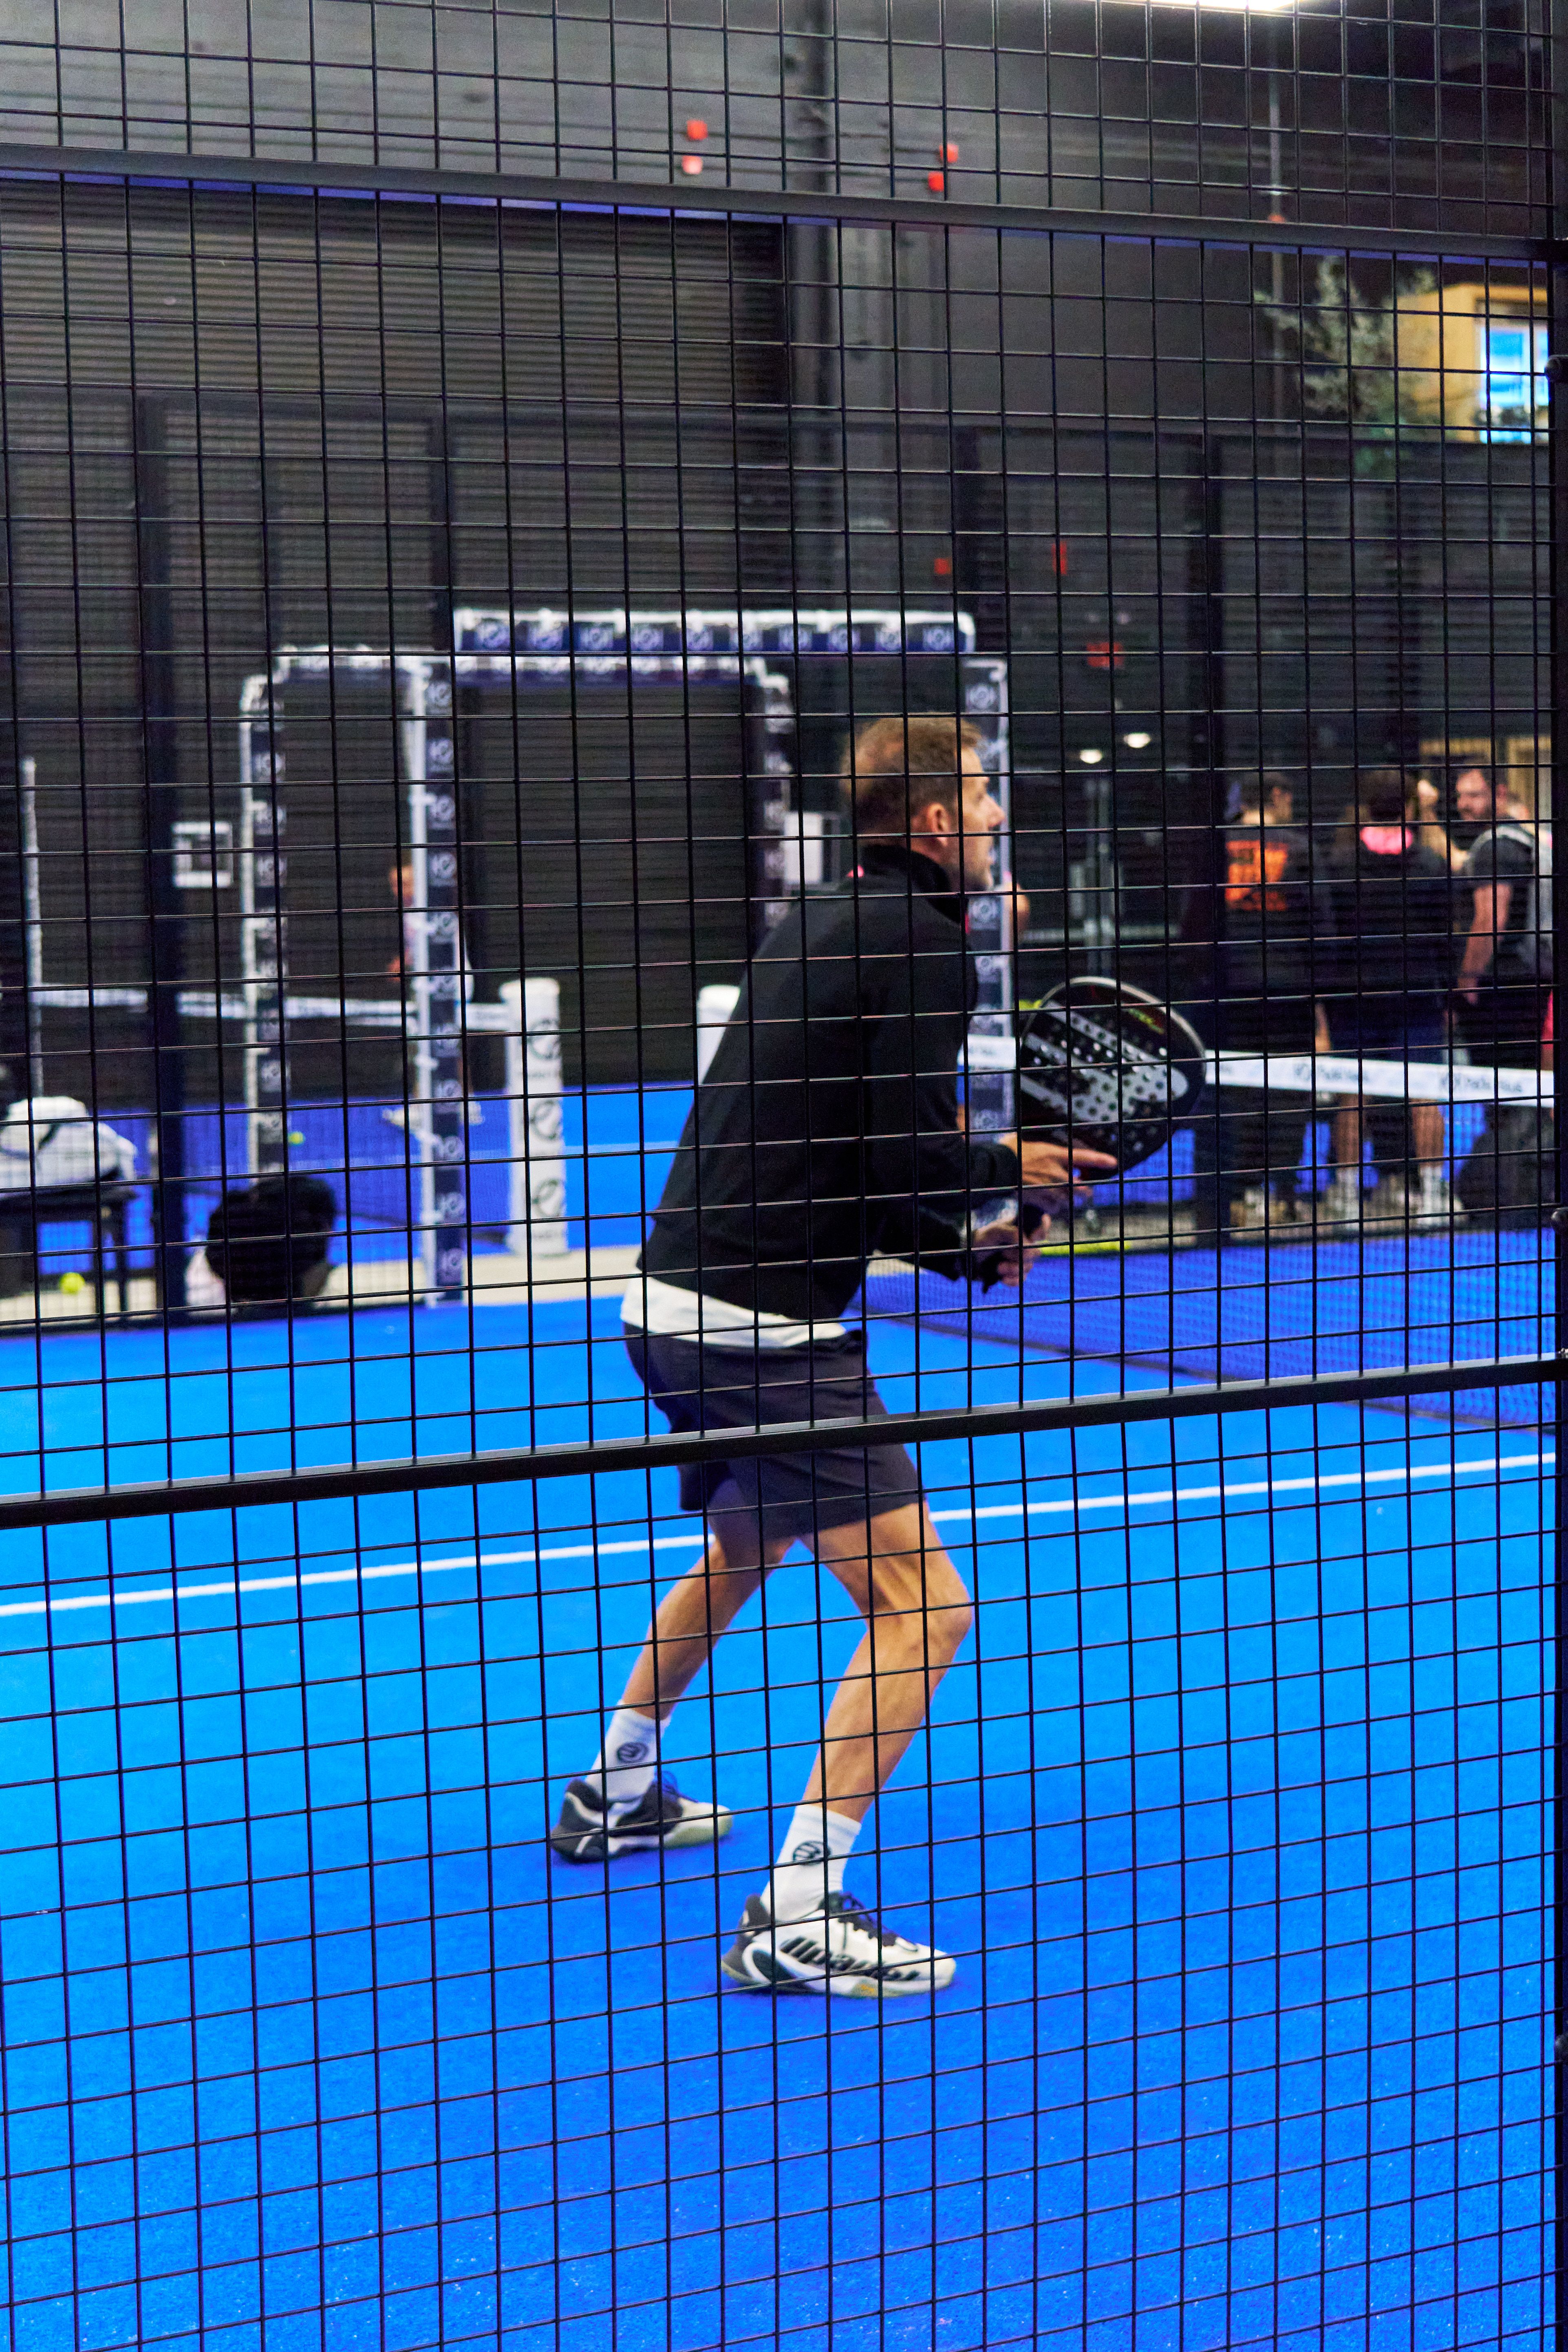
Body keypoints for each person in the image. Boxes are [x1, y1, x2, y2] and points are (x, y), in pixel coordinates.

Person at [549, 713, 1114, 1997]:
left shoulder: (820, 918)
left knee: (744, 1542)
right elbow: (901, 1154)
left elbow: (847, 1157)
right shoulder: (923, 943)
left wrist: (966, 1249)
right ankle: (798, 1911)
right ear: (932, 820)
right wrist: (1003, 1166)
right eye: (980, 795)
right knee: (927, 1605)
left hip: (668, 1306)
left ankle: (613, 1790)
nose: (994, 816)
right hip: (761, 1335)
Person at [1318, 768, 1460, 1228]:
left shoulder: (1337, 863)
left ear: (1365, 806)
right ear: (1409, 806)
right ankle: (1433, 1196)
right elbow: (1446, 936)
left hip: (1352, 998)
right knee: (1425, 1094)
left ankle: (1345, 1197)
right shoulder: (1430, 863)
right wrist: (1448, 993)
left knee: (1352, 1095)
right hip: (1415, 996)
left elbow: (1326, 934)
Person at [1191, 769, 1321, 1239]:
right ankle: (1278, 1193)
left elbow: (1192, 924)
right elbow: (1321, 925)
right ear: (1279, 796)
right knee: (1287, 1093)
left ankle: (1234, 1198)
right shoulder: (1300, 847)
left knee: (1232, 1093)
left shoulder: (1214, 847)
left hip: (1229, 992)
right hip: (1288, 992)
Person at [1451, 765, 1553, 1218]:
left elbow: (1489, 917)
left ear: (1499, 793)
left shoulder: (1495, 848)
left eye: (1473, 795)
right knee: (1527, 1091)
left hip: (1502, 992)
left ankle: (1510, 1191)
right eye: (1460, 796)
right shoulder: (1530, 840)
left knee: (1503, 1095)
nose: (1463, 805)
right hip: (1533, 985)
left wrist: (1467, 978)